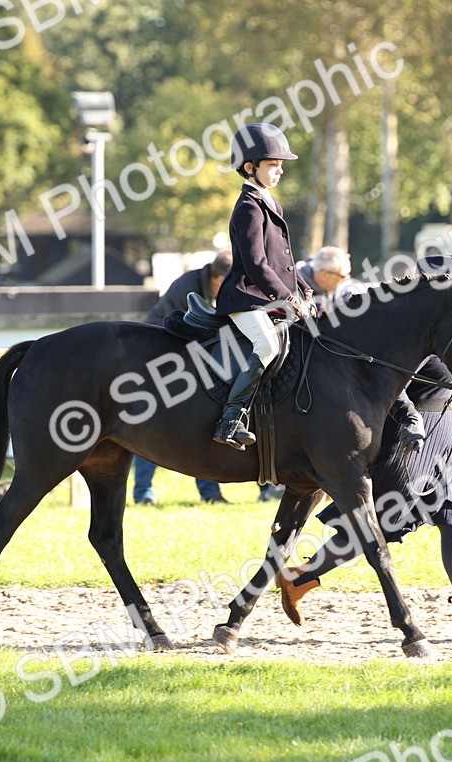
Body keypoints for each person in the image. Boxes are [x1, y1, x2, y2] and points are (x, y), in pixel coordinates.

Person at [276, 354, 452, 638]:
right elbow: (387, 375)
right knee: (379, 523)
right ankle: (298, 579)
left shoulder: (451, 332)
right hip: (412, 442)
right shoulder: (417, 327)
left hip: (443, 437)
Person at [213, 122, 313, 449]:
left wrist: (304, 290)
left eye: (281, 165)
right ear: (249, 167)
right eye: (273, 165)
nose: (280, 171)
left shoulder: (270, 202)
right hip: (244, 298)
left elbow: (284, 260)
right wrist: (287, 299)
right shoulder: (248, 208)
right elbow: (257, 265)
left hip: (266, 298)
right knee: (268, 345)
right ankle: (231, 418)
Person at [135, 251, 233, 505]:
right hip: (159, 359)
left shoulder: (211, 287)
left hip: (187, 359)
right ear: (220, 278)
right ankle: (143, 492)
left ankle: (210, 493)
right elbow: (180, 330)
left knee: (202, 424)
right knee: (150, 425)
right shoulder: (187, 289)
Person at [299, 246, 354, 313]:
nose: (346, 280)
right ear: (324, 275)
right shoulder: (295, 290)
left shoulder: (340, 292)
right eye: (342, 276)